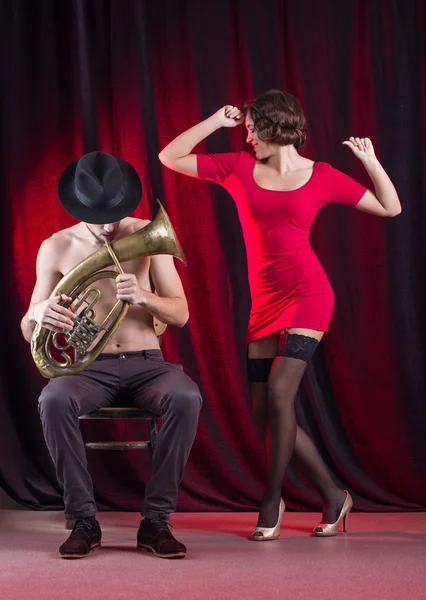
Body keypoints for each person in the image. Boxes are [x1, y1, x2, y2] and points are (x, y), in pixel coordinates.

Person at [158, 90, 401, 540]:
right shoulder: (235, 167)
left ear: (273, 127)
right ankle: (333, 493)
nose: (246, 136)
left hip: (309, 294)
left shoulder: (323, 176)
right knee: (263, 409)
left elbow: (391, 206)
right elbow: (169, 156)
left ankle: (271, 500)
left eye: (251, 128)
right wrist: (215, 121)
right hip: (265, 302)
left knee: (279, 395)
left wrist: (369, 161)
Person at [21, 151, 202, 559]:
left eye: (116, 213)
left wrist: (144, 296)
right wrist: (37, 313)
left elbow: (181, 313)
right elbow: (29, 329)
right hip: (88, 369)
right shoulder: (56, 246)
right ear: (78, 206)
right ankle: (83, 519)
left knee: (187, 397)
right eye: (99, 215)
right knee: (52, 399)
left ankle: (156, 521)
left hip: (146, 364)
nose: (108, 226)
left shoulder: (148, 236)